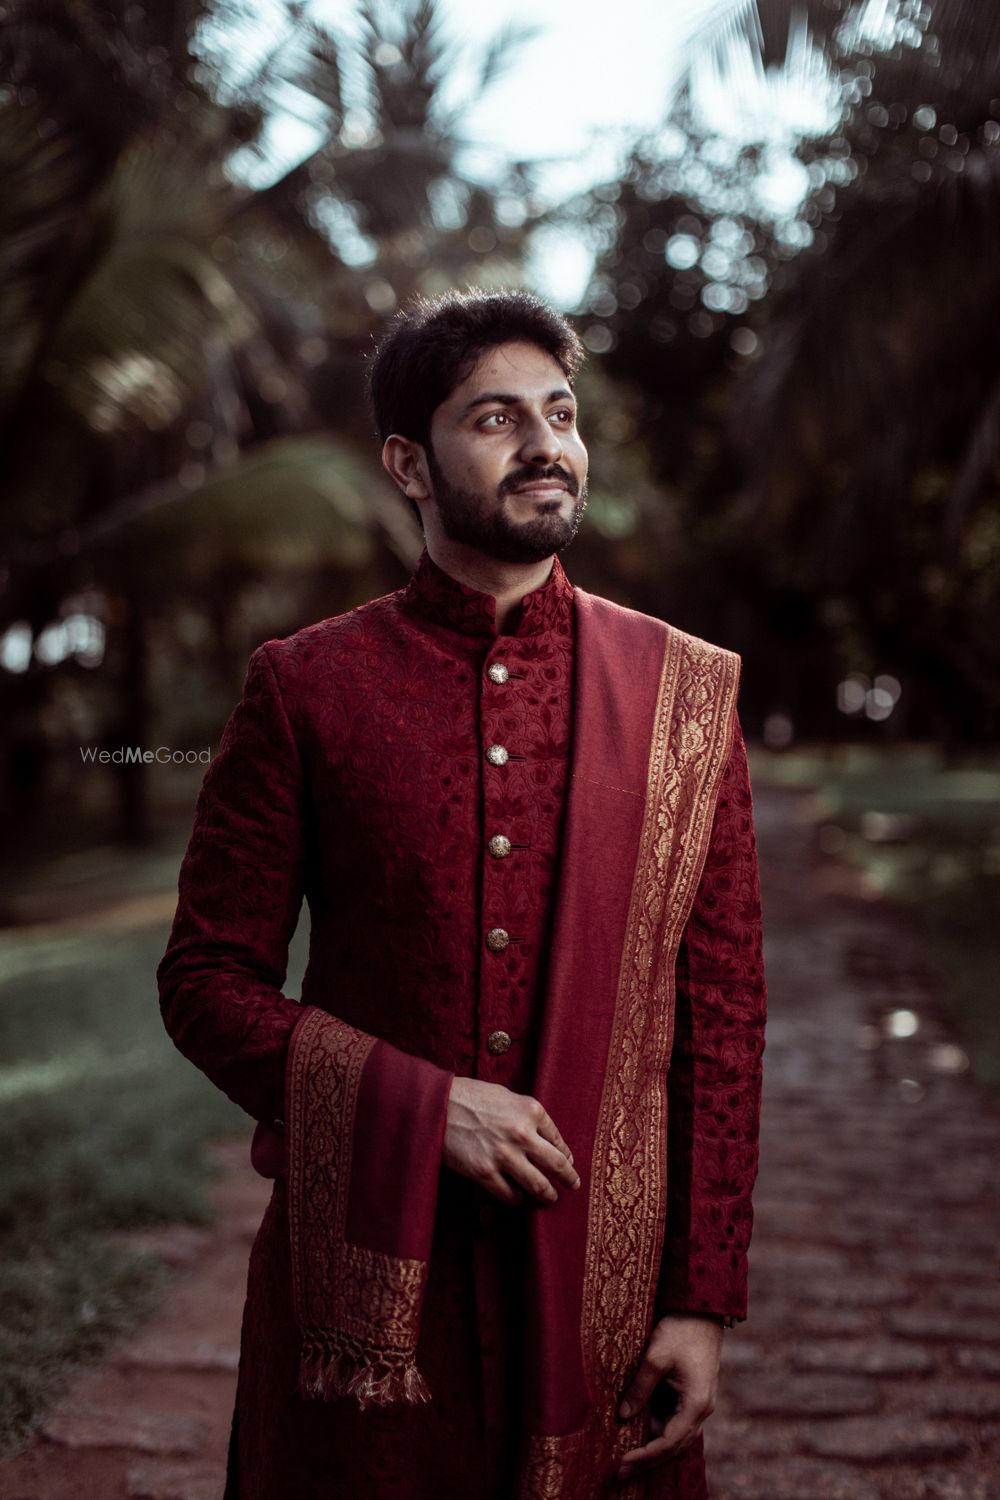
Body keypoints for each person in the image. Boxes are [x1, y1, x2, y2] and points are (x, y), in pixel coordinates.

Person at [156, 288, 767, 1500]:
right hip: (371, 1303)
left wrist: (701, 1302)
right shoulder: (305, 687)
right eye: (496, 417)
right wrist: (419, 1108)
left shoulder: (682, 699)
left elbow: (723, 1020)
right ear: (410, 464)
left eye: (560, 412)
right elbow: (204, 982)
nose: (546, 445)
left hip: (606, 1274)